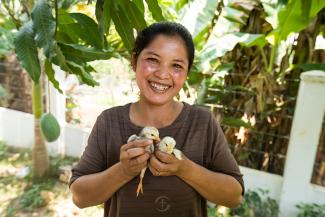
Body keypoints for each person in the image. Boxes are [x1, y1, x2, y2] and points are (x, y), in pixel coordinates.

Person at [69, 22, 244, 217]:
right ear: (134, 61)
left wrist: (185, 169)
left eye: (176, 65)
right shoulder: (109, 122)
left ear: (187, 73)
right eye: (153, 60)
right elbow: (79, 197)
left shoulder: (202, 122)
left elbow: (234, 196)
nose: (162, 74)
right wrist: (124, 171)